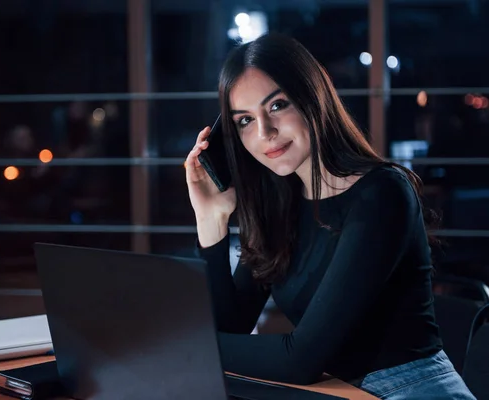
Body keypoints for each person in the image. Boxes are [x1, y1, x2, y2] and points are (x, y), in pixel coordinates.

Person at [185, 33, 476, 399]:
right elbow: (231, 327)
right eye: (244, 120)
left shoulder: (382, 193)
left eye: (277, 106)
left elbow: (299, 359)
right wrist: (210, 220)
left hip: (411, 389)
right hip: (334, 390)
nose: (265, 133)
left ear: (313, 98)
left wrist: (188, 344)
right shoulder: (280, 205)